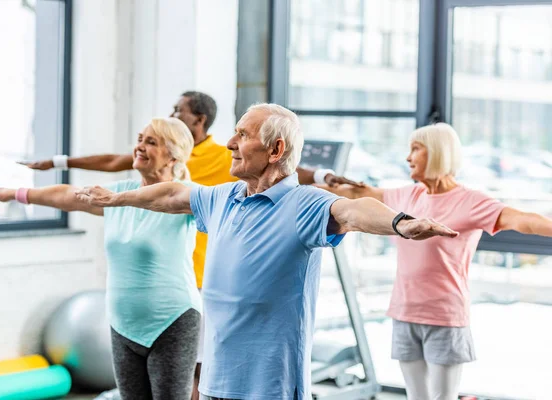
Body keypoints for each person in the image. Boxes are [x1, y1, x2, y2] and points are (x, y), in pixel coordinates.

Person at [73, 103, 458, 400]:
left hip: (271, 385)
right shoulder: (222, 197)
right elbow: (172, 193)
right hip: (217, 379)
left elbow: (354, 211)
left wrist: (400, 223)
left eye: (242, 134)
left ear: (275, 149)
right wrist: (118, 198)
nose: (229, 143)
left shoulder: (305, 203)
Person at [20, 91, 358, 400]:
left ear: (199, 120)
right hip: (204, 278)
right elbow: (114, 162)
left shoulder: (216, 155)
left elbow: (282, 163)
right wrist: (58, 163)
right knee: (210, 372)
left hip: (192, 281)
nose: (173, 112)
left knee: (194, 372)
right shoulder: (170, 153)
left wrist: (322, 176)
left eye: (179, 109)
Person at [326, 122, 552, 400]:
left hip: (444, 316)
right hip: (404, 312)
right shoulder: (406, 194)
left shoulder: (471, 201)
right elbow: (358, 196)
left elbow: (523, 220)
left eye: (416, 149)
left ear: (437, 153)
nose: (408, 157)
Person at [0, 118, 202, 400]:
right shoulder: (117, 196)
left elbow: (168, 196)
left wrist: (116, 199)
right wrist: (18, 193)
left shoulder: (184, 196)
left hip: (172, 320)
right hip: (123, 323)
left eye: (151, 142)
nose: (139, 146)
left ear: (173, 154)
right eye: (140, 138)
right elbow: (67, 197)